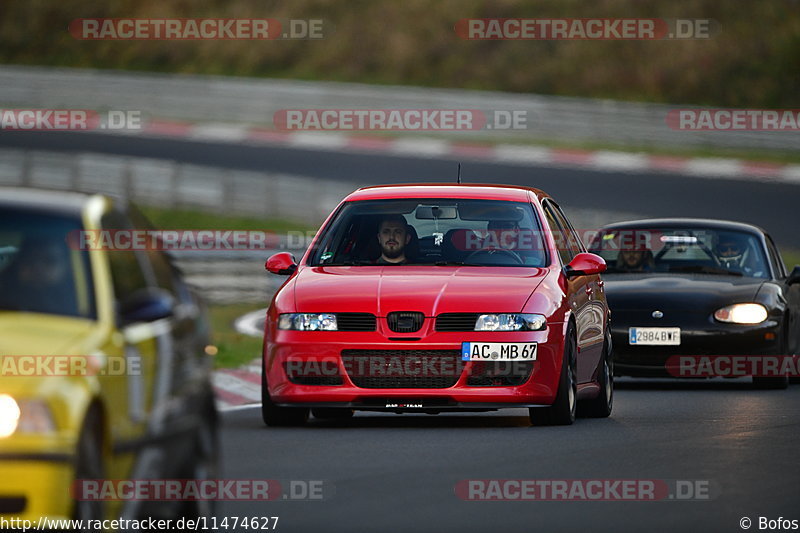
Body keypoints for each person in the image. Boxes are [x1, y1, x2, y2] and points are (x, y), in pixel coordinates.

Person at [0, 236, 77, 315]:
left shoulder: (78, 303)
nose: (38, 268)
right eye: (30, 260)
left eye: (49, 261)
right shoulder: (4, 299)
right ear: (17, 265)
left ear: (67, 267)